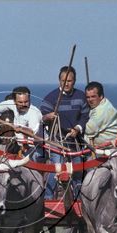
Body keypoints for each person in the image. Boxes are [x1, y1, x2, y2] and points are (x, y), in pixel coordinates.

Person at [40, 66, 90, 199]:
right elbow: (42, 117)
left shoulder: (81, 96)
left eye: (69, 80)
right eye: (63, 80)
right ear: (59, 81)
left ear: (74, 81)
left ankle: (79, 200)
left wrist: (78, 128)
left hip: (75, 141)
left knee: (77, 171)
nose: (66, 83)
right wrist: (48, 117)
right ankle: (48, 199)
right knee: (55, 170)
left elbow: (85, 116)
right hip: (57, 141)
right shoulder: (51, 97)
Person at [0, 86, 44, 161]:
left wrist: (18, 129)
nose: (23, 104)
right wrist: (0, 121)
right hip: (18, 145)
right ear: (14, 101)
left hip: (35, 147)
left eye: (26, 102)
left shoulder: (34, 113)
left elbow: (31, 133)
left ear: (30, 100)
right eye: (20, 102)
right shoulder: (11, 104)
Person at [84, 81, 117, 146]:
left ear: (101, 96)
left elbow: (90, 129)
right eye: (88, 97)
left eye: (93, 96)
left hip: (109, 147)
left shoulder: (101, 110)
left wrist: (77, 125)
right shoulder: (103, 104)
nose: (90, 100)